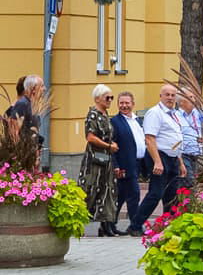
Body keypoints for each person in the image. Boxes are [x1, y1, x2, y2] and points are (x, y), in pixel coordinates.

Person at [127, 85, 187, 237]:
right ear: (160, 96)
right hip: (159, 156)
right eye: (167, 95)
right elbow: (150, 139)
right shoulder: (155, 113)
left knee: (172, 194)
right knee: (156, 193)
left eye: (173, 95)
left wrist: (180, 162)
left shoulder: (175, 114)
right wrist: (158, 162)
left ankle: (170, 224)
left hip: (173, 157)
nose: (170, 98)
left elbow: (175, 139)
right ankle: (135, 225)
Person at [78, 84, 120, 237]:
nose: (110, 100)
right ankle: (78, 223)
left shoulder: (105, 115)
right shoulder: (93, 115)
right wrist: (109, 146)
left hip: (106, 160)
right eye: (107, 98)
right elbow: (90, 137)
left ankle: (106, 225)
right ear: (97, 99)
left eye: (111, 97)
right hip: (95, 160)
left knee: (107, 190)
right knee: (89, 189)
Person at [110, 91, 146, 237]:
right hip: (125, 164)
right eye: (121, 103)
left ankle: (108, 224)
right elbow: (111, 145)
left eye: (127, 103)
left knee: (121, 196)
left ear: (133, 104)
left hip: (137, 163)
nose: (124, 106)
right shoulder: (115, 122)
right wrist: (115, 165)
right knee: (134, 194)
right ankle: (135, 226)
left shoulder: (138, 121)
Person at [177, 90, 203, 187]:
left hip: (195, 154)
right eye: (190, 97)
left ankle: (186, 201)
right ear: (182, 102)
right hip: (183, 154)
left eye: (194, 97)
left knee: (190, 182)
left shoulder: (196, 113)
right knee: (189, 181)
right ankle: (187, 201)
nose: (194, 100)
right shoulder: (176, 116)